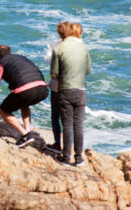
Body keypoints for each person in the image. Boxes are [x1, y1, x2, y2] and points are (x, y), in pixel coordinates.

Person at [0, 45, 47, 147]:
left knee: (3, 110)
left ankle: (25, 134)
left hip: (26, 91)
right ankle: (28, 131)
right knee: (24, 103)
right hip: (43, 89)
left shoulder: (1, 64)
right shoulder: (21, 58)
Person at [51, 21, 91, 167]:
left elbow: (54, 73)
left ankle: (66, 157)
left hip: (65, 90)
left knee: (67, 125)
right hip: (80, 90)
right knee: (78, 125)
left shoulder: (58, 48)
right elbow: (88, 70)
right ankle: (79, 158)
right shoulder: (84, 47)